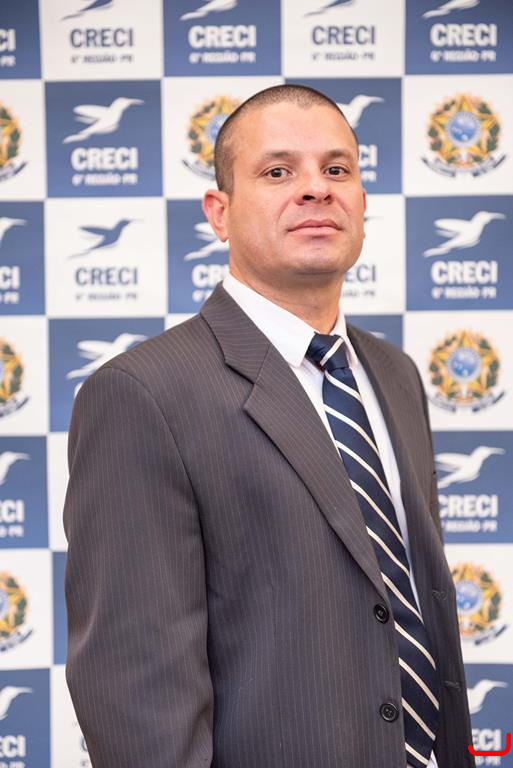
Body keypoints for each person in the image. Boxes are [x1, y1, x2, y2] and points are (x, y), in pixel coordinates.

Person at [64, 84, 475, 768]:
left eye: (337, 168)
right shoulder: (140, 395)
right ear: (219, 213)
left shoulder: (395, 374)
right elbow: (136, 694)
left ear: (362, 201)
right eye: (278, 171)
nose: (316, 188)